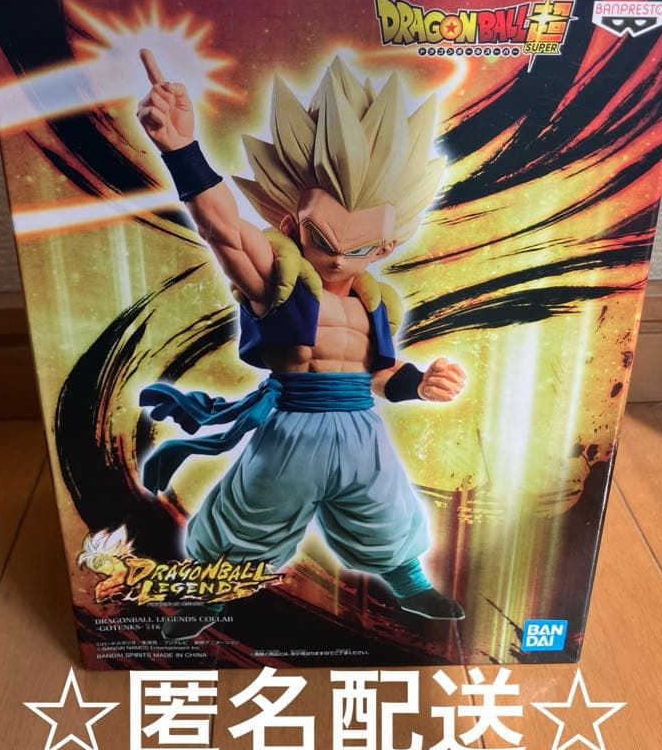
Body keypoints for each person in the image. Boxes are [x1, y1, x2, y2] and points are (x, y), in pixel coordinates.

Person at [135, 48, 466, 637]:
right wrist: (181, 149)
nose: (338, 258)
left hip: (361, 430)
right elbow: (223, 230)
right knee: (247, 520)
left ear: (386, 246)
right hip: (291, 427)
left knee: (387, 514)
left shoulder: (376, 302)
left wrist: (422, 384)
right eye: (325, 238)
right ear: (293, 226)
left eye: (359, 247)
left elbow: (379, 374)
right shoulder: (279, 281)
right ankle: (209, 597)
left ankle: (410, 583)